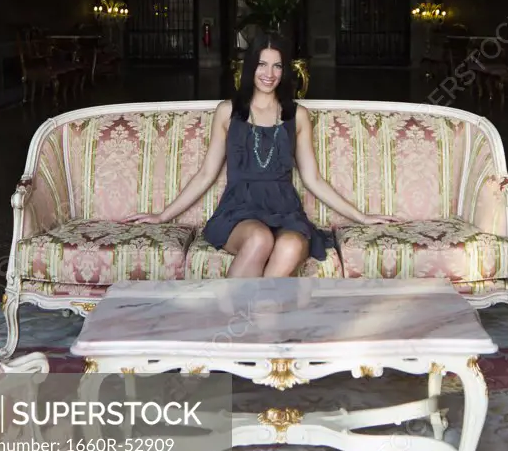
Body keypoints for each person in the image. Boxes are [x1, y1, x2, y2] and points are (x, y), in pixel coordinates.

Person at [127, 32, 396, 277]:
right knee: (260, 238)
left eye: (277, 65)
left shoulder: (297, 115)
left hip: (285, 211)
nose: (270, 73)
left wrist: (361, 217)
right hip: (239, 211)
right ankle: (245, 324)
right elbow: (206, 174)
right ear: (250, 67)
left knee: (290, 246)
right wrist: (162, 216)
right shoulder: (227, 112)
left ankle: (250, 325)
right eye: (262, 64)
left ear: (285, 70)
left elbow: (313, 179)